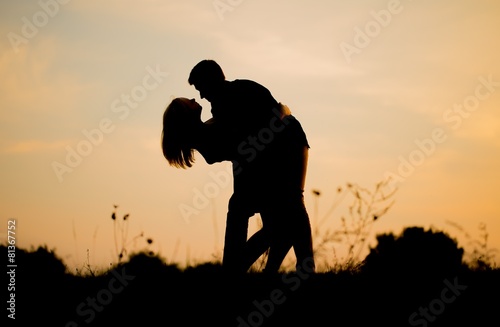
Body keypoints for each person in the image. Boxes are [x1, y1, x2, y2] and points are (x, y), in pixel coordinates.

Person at [187, 59, 315, 273]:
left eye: (201, 88)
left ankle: (304, 267)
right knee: (276, 215)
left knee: (292, 203)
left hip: (289, 143)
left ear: (214, 79)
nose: (201, 95)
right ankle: (264, 270)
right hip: (270, 157)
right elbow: (238, 149)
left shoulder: (243, 90)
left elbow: (277, 117)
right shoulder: (219, 108)